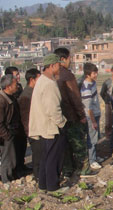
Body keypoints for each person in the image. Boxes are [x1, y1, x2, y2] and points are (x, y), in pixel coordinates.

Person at [29, 54, 66, 192]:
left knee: (46, 157)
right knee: (53, 158)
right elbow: (53, 108)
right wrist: (62, 123)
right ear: (52, 66)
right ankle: (52, 186)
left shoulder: (42, 80)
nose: (59, 68)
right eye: (58, 65)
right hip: (51, 127)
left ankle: (43, 184)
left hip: (43, 125)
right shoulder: (49, 84)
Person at [54, 47, 92, 178]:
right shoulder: (67, 75)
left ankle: (67, 170)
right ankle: (84, 170)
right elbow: (75, 97)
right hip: (71, 116)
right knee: (78, 144)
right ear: (63, 59)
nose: (71, 61)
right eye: (70, 58)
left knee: (65, 146)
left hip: (59, 117)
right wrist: (81, 115)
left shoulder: (53, 75)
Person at [18, 68, 41, 180]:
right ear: (32, 80)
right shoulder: (26, 95)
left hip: (36, 128)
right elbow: (25, 117)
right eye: (39, 78)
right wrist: (30, 132)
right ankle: (38, 176)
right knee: (37, 155)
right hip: (33, 130)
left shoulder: (33, 92)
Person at [81, 63, 102, 170]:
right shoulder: (86, 88)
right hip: (91, 116)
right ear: (87, 74)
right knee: (92, 139)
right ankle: (92, 161)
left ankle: (94, 157)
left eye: (96, 72)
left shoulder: (92, 83)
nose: (96, 75)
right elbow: (88, 108)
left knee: (95, 137)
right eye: (94, 73)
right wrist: (93, 121)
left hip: (96, 114)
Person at [0, 75, 18, 183]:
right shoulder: (2, 100)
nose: (17, 87)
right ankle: (5, 179)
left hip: (8, 132)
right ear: (8, 86)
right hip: (4, 135)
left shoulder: (10, 97)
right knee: (6, 157)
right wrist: (7, 136)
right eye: (15, 85)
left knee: (10, 157)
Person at [100, 65, 113, 139]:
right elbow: (102, 92)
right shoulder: (107, 82)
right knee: (108, 120)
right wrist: (106, 101)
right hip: (109, 104)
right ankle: (108, 135)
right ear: (112, 72)